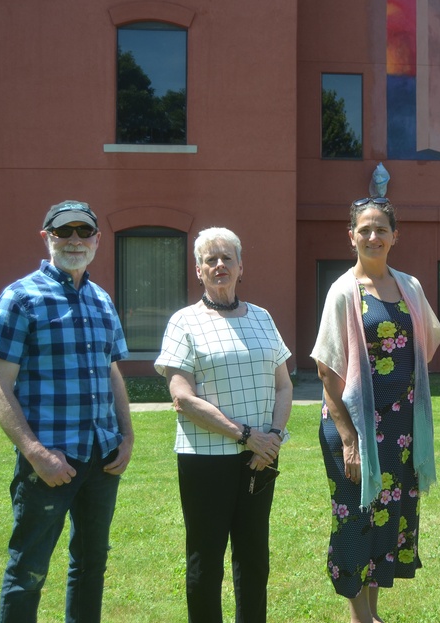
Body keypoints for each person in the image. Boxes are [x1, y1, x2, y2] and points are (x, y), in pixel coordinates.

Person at [0, 200, 134, 622]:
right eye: (62, 231)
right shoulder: (20, 298)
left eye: (83, 232)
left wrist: (127, 436)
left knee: (91, 566)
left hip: (101, 460)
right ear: (46, 237)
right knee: (27, 571)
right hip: (48, 462)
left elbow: (112, 372)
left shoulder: (101, 300)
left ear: (97, 240)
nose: (73, 240)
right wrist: (35, 453)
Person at [311, 197, 440, 623]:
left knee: (386, 514)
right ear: (351, 236)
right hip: (352, 427)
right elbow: (326, 369)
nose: (373, 236)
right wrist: (350, 439)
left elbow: (427, 339)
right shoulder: (342, 292)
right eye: (364, 229)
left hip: (400, 428)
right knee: (354, 518)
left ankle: (371, 613)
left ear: (394, 236)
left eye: (381, 229)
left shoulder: (410, 286)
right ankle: (359, 616)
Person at [155, 227, 293, 623]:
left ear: (240, 266)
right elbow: (182, 397)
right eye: (210, 259)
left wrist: (273, 440)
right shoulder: (184, 322)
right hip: (206, 460)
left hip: (259, 460)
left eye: (226, 258)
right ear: (198, 270)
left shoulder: (263, 318)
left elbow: (283, 384)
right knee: (206, 560)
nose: (219, 265)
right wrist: (246, 435)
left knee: (254, 560)